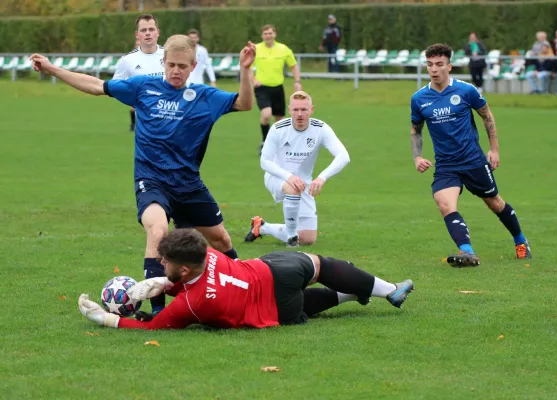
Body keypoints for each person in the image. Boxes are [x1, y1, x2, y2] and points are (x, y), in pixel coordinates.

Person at [31, 35, 256, 314]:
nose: (176, 70)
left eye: (182, 66)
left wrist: (245, 70)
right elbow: (95, 86)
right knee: (158, 230)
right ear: (163, 62)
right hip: (151, 180)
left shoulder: (205, 97)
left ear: (193, 66)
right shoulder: (143, 87)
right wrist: (53, 69)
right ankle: (159, 311)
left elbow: (245, 104)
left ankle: (247, 284)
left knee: (221, 240)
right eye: (171, 64)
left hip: (188, 185)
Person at [77, 228, 415, 330]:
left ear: (182, 270)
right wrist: (166, 282)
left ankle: (352, 293)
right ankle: (386, 290)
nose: (159, 261)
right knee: (321, 264)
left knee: (302, 308)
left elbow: (153, 327)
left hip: (273, 312)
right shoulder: (207, 254)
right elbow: (193, 277)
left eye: (164, 260)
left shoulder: (193, 305)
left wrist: (106, 318)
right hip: (272, 270)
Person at [409, 43, 531, 267]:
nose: (434, 69)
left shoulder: (466, 91)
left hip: (473, 160)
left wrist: (494, 150)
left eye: (439, 64)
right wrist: (417, 156)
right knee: (444, 203)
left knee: (495, 203)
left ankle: (520, 240)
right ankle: (467, 252)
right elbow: (416, 129)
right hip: (446, 165)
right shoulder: (419, 98)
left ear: (449, 66)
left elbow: (487, 116)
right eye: (429, 65)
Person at [245, 91, 350, 247]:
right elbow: (265, 162)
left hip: (303, 182)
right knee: (293, 189)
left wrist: (322, 177)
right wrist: (289, 176)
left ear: (311, 110)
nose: (299, 114)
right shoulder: (278, 128)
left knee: (308, 239)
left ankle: (261, 227)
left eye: (304, 110)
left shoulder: (320, 128)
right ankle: (291, 239)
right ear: (289, 110)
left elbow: (343, 156)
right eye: (295, 110)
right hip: (277, 177)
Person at [250, 24, 302, 154]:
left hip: (278, 88)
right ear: (262, 36)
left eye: (270, 33)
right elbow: (248, 67)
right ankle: (265, 141)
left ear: (275, 34)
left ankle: (278, 144)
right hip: (262, 88)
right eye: (265, 33)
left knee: (280, 119)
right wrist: (253, 80)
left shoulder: (283, 49)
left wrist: (297, 82)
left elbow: (294, 66)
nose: (268, 36)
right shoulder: (256, 48)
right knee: (266, 114)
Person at [113, 14, 165, 132]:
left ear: (158, 32)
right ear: (137, 35)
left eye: (151, 29)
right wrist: (134, 100)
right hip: (144, 126)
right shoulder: (127, 60)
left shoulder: (169, 55)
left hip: (171, 121)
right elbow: (115, 88)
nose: (148, 33)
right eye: (143, 30)